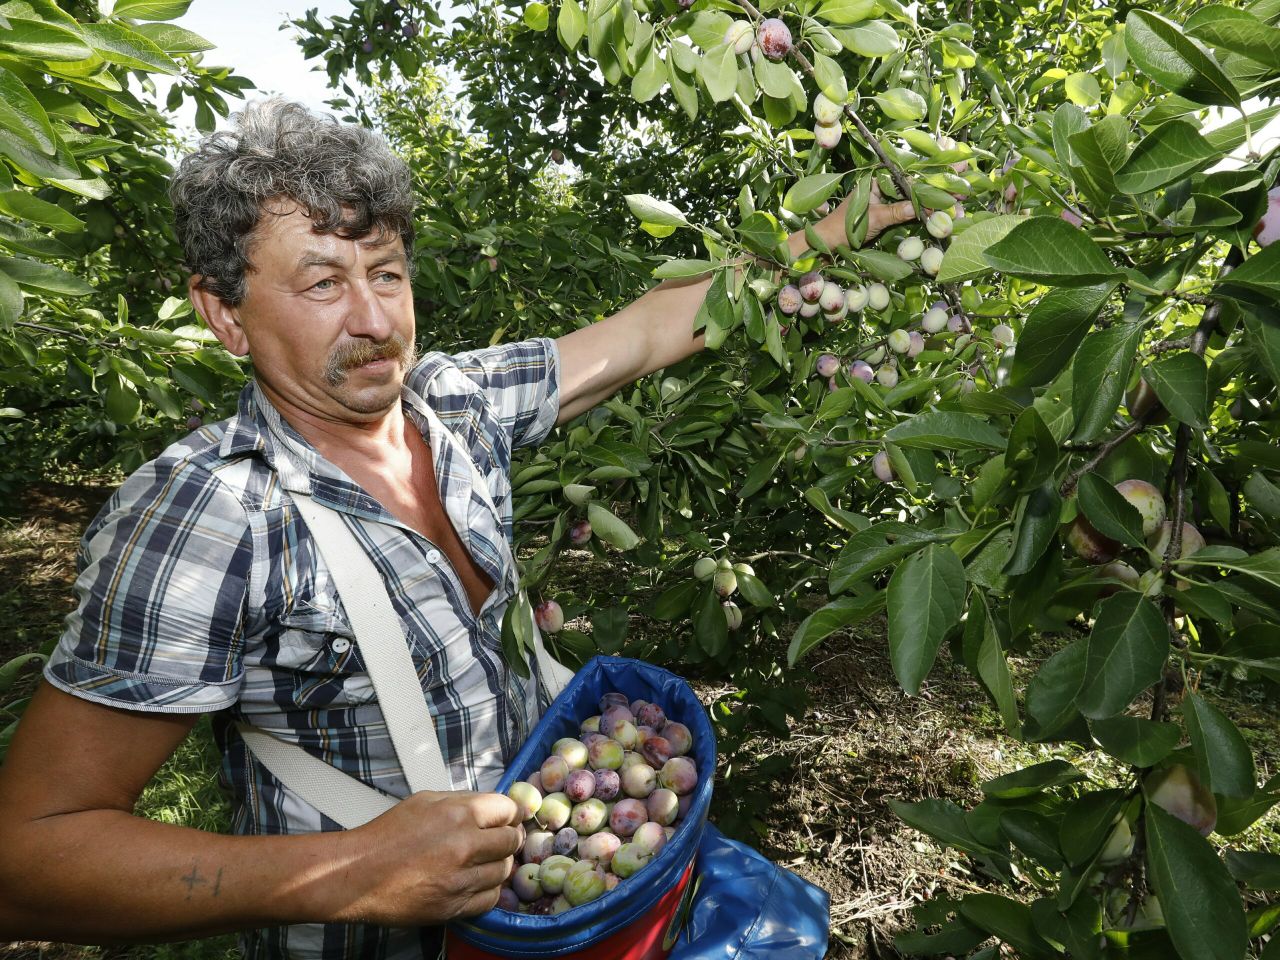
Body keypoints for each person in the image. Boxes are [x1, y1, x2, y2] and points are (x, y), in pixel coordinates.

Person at [0, 98, 914, 958]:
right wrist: (343, 873)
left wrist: (852, 223)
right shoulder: (210, 514)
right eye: (321, 282)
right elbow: (31, 861)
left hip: (547, 904)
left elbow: (647, 332)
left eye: (387, 273)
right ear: (224, 314)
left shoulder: (451, 405)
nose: (373, 318)